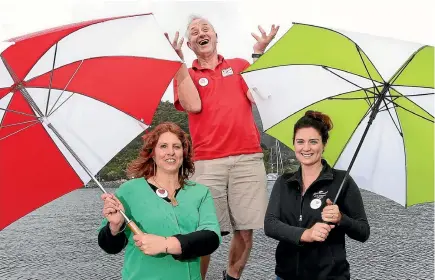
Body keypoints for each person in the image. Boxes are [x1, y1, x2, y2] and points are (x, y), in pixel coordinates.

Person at [164, 15, 279, 280]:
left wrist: (259, 55)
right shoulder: (186, 74)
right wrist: (177, 62)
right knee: (205, 233)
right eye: (194, 32)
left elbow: (259, 95)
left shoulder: (239, 65)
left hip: (248, 158)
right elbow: (193, 105)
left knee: (246, 230)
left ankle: (232, 276)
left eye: (206, 29)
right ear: (191, 44)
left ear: (216, 37)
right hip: (207, 162)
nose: (200, 33)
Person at [97, 122, 222, 280]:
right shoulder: (129, 191)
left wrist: (166, 244)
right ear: (153, 154)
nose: (170, 152)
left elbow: (211, 238)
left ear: (183, 153)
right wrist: (115, 227)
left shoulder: (200, 192)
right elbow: (110, 247)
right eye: (163, 146)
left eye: (176, 147)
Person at [264, 110, 370, 280]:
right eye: (300, 142)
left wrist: (341, 218)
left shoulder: (342, 181)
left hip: (330, 275)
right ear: (294, 144)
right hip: (286, 275)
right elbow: (270, 224)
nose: (306, 148)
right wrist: (306, 234)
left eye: (313, 142)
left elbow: (363, 232)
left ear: (324, 144)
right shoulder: (284, 182)